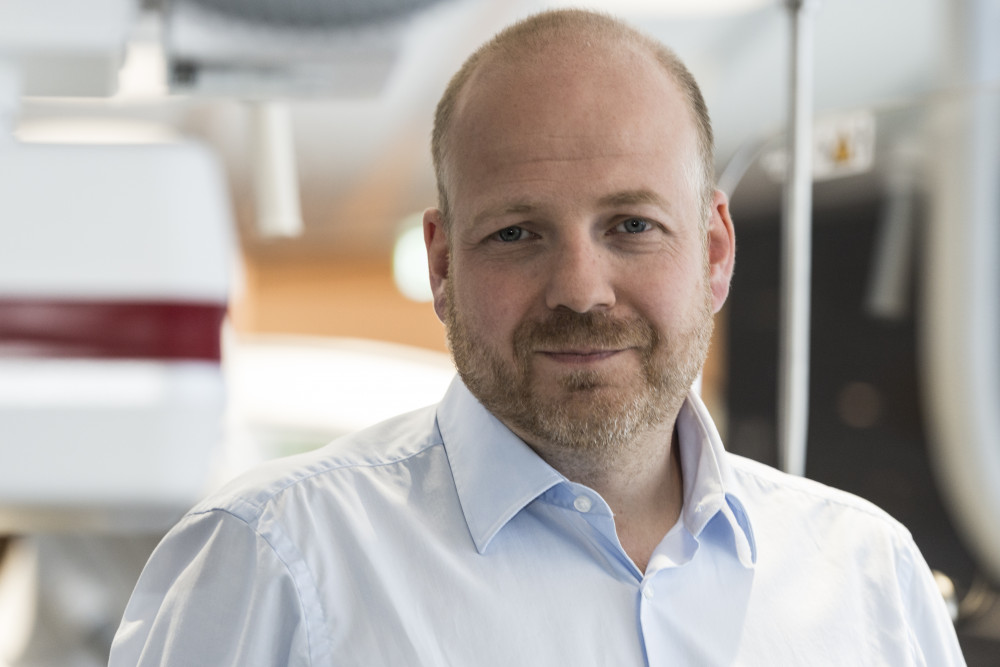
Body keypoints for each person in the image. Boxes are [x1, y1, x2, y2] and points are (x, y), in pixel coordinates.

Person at [110, 9, 966, 666]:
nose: (581, 291)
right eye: (517, 233)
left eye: (632, 226)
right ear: (443, 264)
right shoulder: (276, 561)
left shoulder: (869, 580)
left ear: (713, 253)